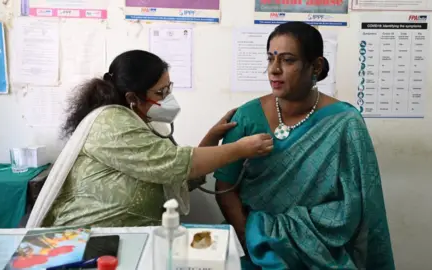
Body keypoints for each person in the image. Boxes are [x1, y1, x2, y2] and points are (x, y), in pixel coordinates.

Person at [214, 22, 395, 270]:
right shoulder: (246, 116)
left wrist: (304, 234)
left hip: (322, 248)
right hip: (255, 247)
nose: (274, 70)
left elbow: (363, 199)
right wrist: (251, 239)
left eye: (287, 60)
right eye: (270, 59)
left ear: (316, 66)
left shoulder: (345, 122)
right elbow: (224, 186)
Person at [25, 50, 273, 228]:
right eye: (160, 92)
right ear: (133, 97)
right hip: (88, 240)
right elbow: (174, 164)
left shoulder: (141, 125)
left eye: (169, 88)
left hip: (128, 238)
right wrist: (240, 148)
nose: (167, 98)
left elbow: (173, 175)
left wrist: (210, 138)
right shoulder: (111, 122)